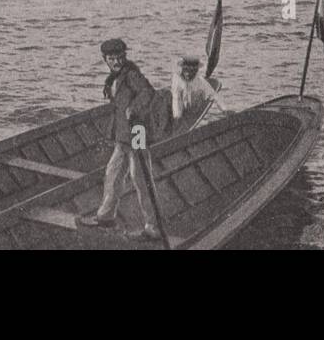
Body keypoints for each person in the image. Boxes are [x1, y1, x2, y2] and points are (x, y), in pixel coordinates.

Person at [75, 38, 160, 241]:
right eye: (111, 58)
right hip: (123, 136)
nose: (116, 62)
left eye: (119, 57)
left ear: (125, 56)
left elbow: (148, 93)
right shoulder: (114, 78)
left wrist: (134, 108)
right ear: (105, 59)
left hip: (137, 132)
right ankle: (105, 217)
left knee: (141, 179)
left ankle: (153, 228)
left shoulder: (131, 75)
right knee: (112, 175)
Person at [171, 55, 224, 122]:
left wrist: (224, 110)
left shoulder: (199, 80)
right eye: (186, 70)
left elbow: (213, 95)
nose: (188, 74)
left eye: (191, 71)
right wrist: (177, 117)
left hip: (192, 109)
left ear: (196, 71)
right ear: (182, 69)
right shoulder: (177, 79)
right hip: (179, 109)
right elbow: (176, 99)